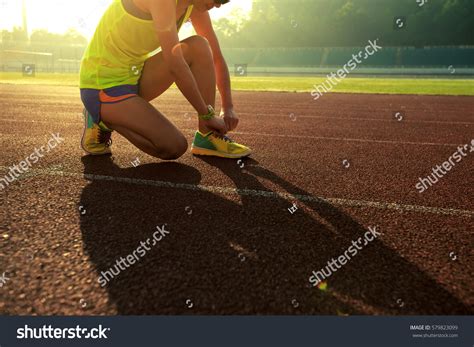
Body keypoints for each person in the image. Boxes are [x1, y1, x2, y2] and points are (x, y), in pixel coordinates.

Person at [79, 0, 251, 160]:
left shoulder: (193, 5)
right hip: (103, 85)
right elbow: (175, 65)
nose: (219, 5)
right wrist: (207, 114)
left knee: (199, 46)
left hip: (135, 76)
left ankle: (207, 136)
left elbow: (216, 58)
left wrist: (228, 107)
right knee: (174, 147)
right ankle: (101, 121)